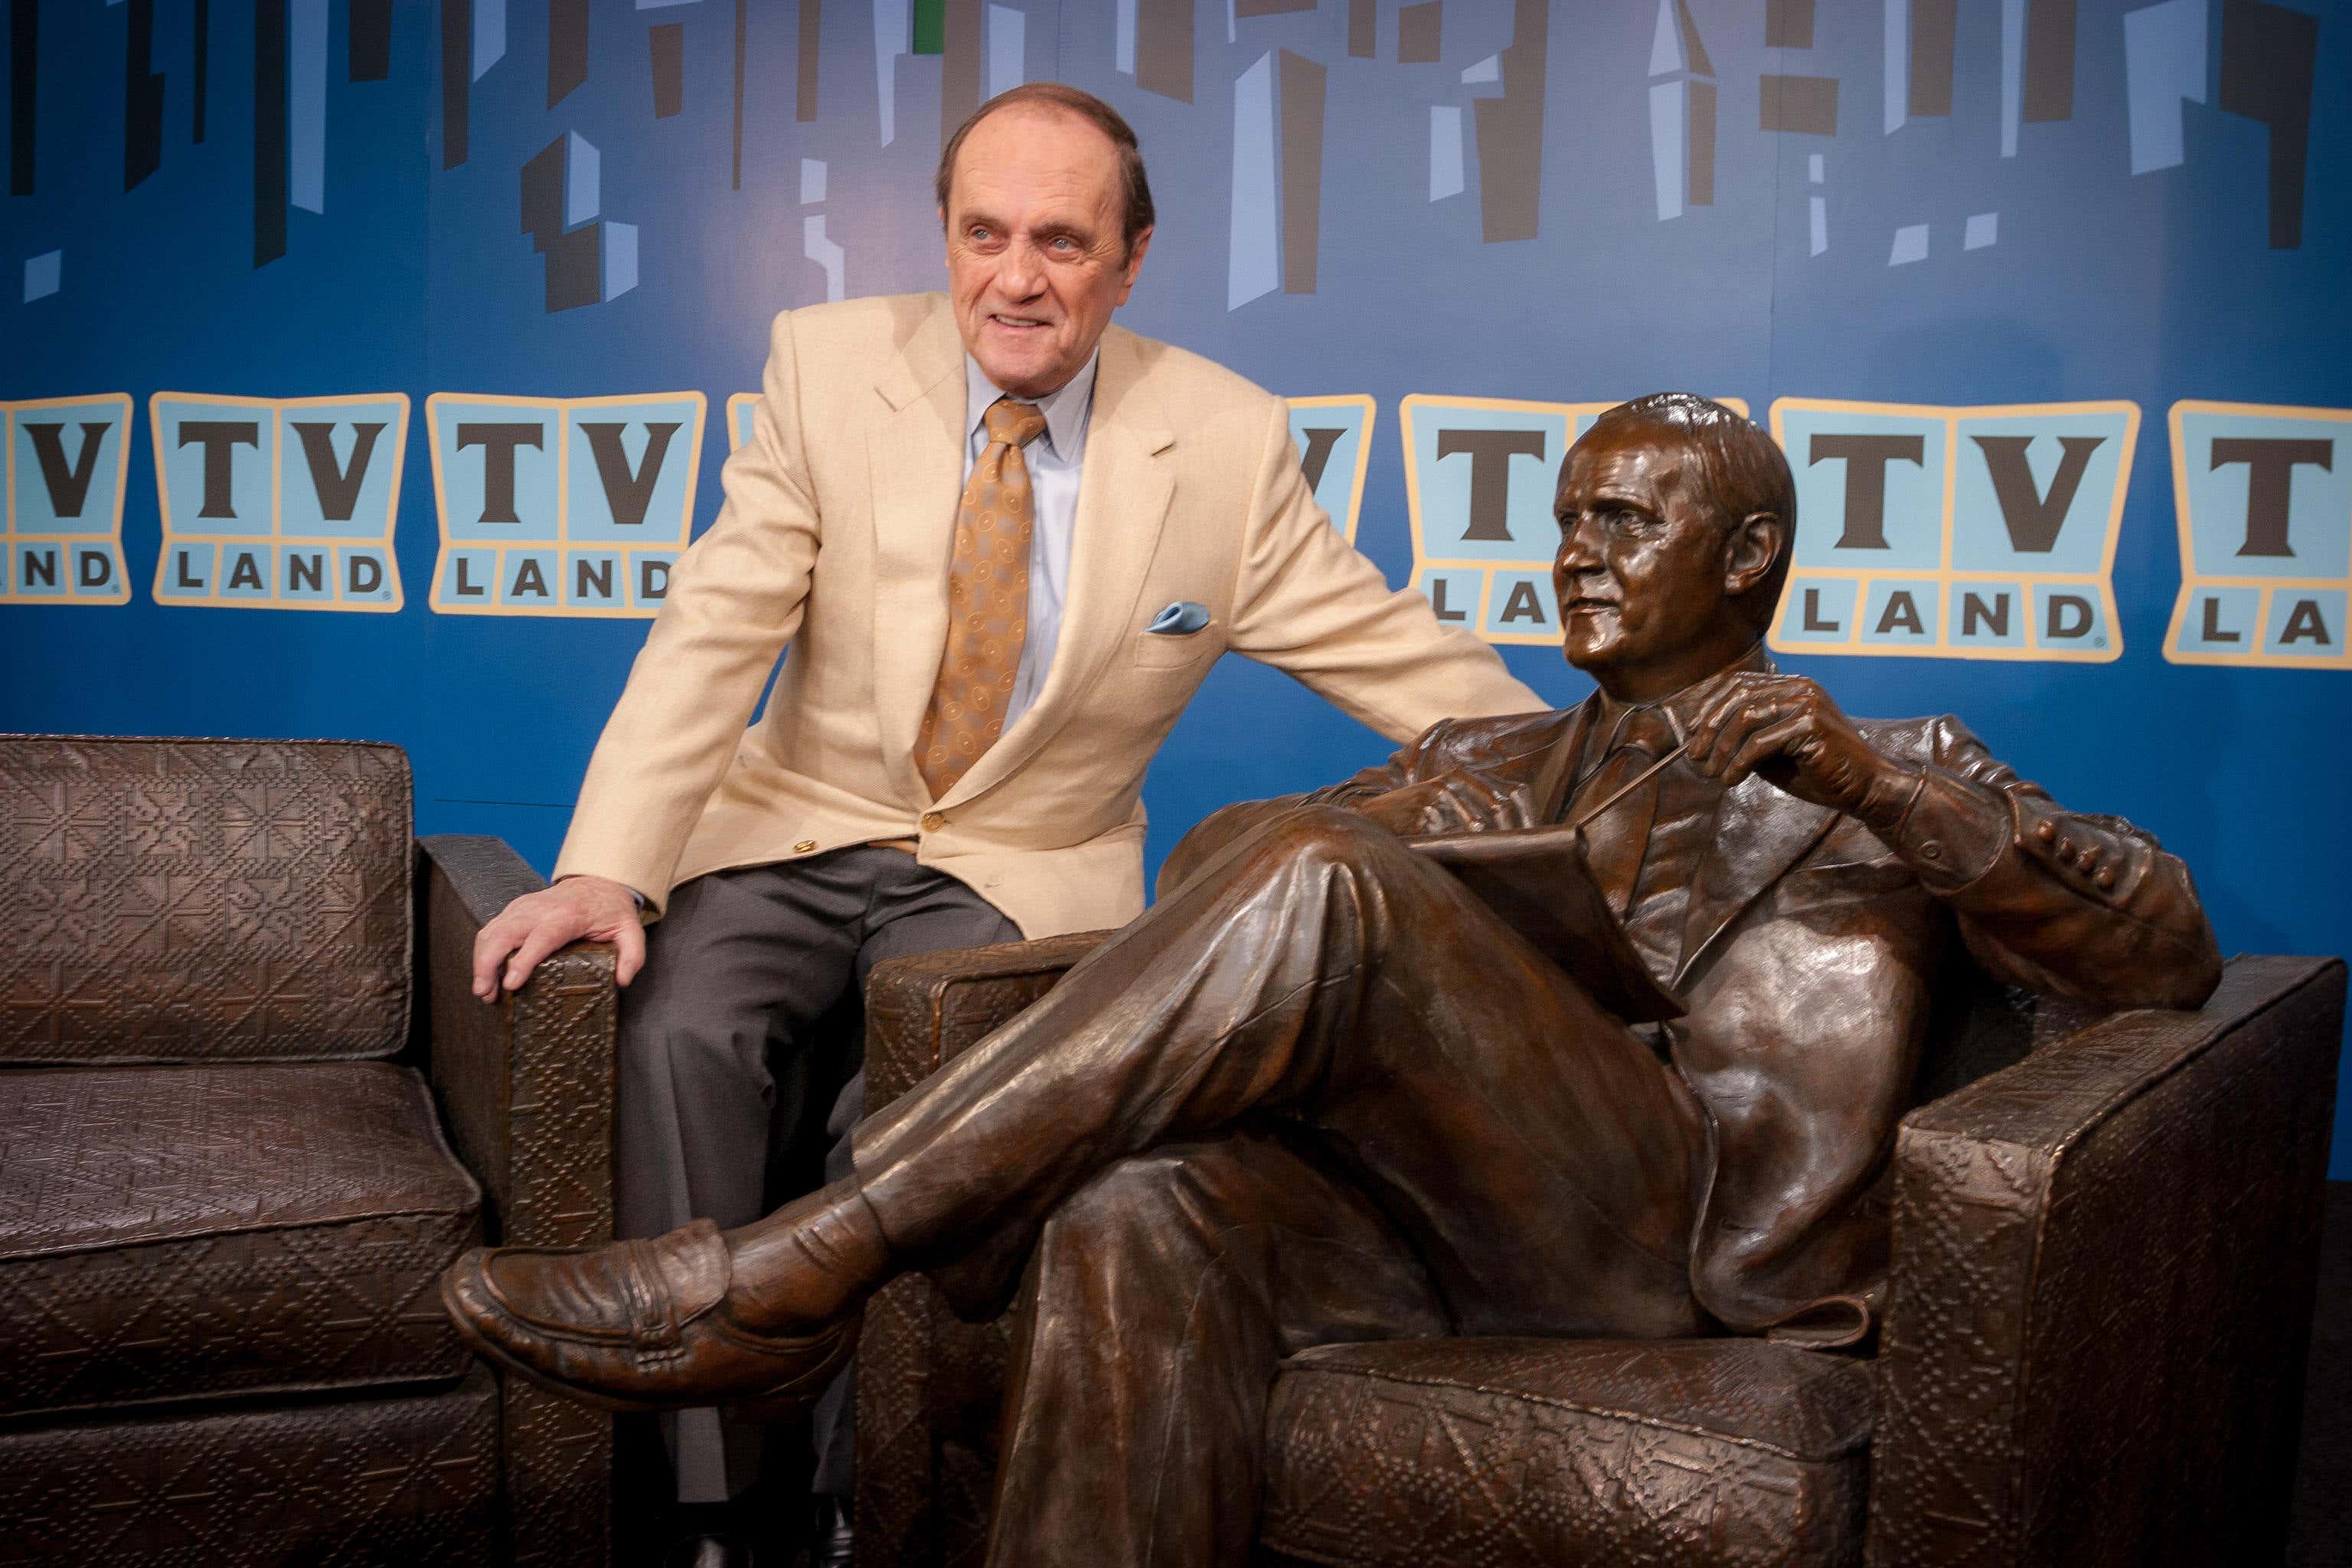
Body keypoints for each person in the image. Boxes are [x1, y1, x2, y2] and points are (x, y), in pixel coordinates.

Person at [444, 394, 2220, 1567]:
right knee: (1142, 1201)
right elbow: (1237, 894)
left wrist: (1880, 793)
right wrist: (1375, 897)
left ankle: (808, 1257)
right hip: (1430, 1236)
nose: (1578, 551)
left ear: (1750, 557)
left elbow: (2162, 957)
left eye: (1629, 520)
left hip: (1687, 1252)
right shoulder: (1479, 760)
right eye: (1567, 517)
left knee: (1320, 870)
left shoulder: (1894, 761)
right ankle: (891, 1238)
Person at [465, 82, 1542, 1565]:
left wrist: (1604, 770)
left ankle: (857, 1501)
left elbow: (1401, 658)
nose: (1014, 278)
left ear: (1132, 257)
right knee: (677, 1035)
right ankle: (715, 1510)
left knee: (913, 1107)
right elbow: (718, 622)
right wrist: (606, 865)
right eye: (984, 233)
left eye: (1059, 240)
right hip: (799, 821)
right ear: (946, 236)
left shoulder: (1221, 440)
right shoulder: (830, 366)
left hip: (1016, 864)